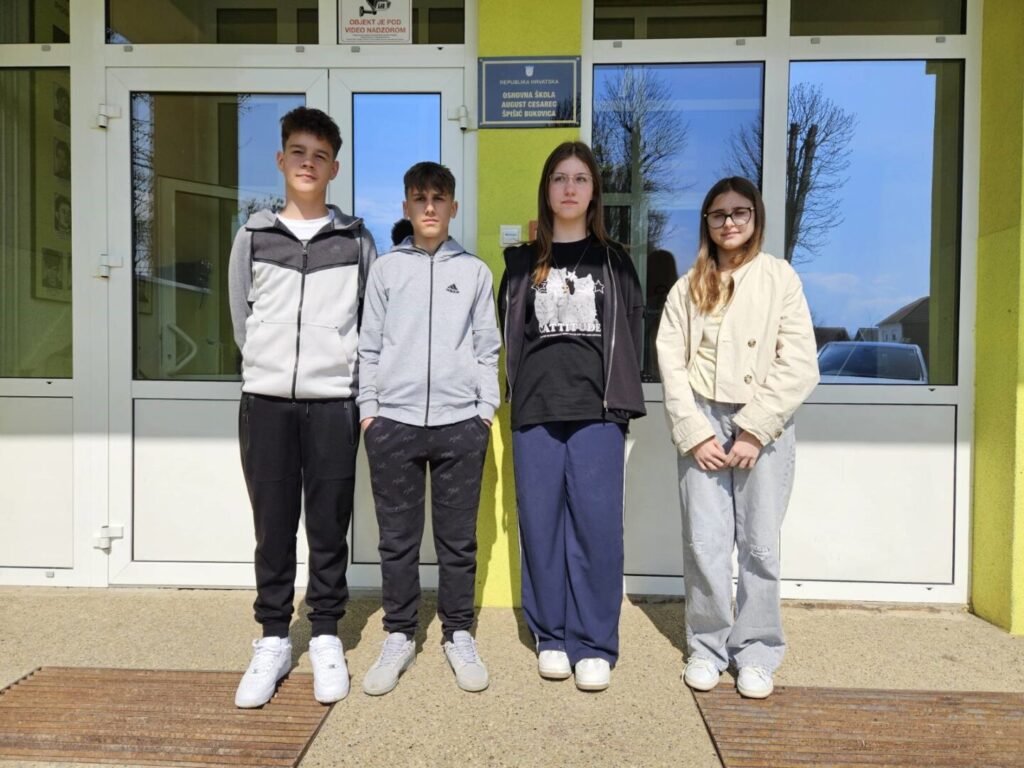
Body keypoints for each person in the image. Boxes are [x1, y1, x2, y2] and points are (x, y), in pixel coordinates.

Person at [228, 106, 377, 708]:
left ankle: (324, 635)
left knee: (327, 525)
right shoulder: (253, 236)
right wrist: (267, 366)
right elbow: (242, 317)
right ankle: (272, 638)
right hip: (265, 402)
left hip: (333, 403)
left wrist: (345, 377)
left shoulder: (356, 240)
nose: (308, 163)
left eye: (320, 155)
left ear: (334, 167)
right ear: (281, 160)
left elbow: (368, 322)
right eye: (298, 152)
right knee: (272, 526)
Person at [656, 176, 818, 699]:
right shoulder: (688, 285)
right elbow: (670, 363)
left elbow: (800, 363)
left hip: (762, 422)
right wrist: (694, 432)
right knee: (704, 543)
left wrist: (754, 429)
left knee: (760, 544)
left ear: (756, 217)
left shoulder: (779, 278)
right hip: (703, 417)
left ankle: (757, 651)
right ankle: (706, 647)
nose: (729, 222)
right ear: (706, 222)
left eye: (739, 212)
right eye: (719, 214)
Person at [498, 141, 645, 692]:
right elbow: (508, 336)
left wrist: (623, 404)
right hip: (535, 411)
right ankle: (552, 636)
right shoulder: (519, 264)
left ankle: (594, 643)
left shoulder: (615, 262)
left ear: (594, 192)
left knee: (597, 529)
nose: (569, 188)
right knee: (540, 527)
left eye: (580, 178)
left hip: (598, 413)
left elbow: (631, 334)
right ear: (547, 188)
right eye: (560, 177)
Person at [357, 161, 500, 695]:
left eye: (439, 199)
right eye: (420, 199)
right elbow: (369, 347)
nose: (430, 208)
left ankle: (458, 633)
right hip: (393, 423)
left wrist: (484, 411)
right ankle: (399, 634)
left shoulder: (476, 272)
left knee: (458, 541)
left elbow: (487, 348)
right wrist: (370, 411)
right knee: (397, 540)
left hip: (460, 424)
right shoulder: (387, 270)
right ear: (406, 207)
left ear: (453, 207)